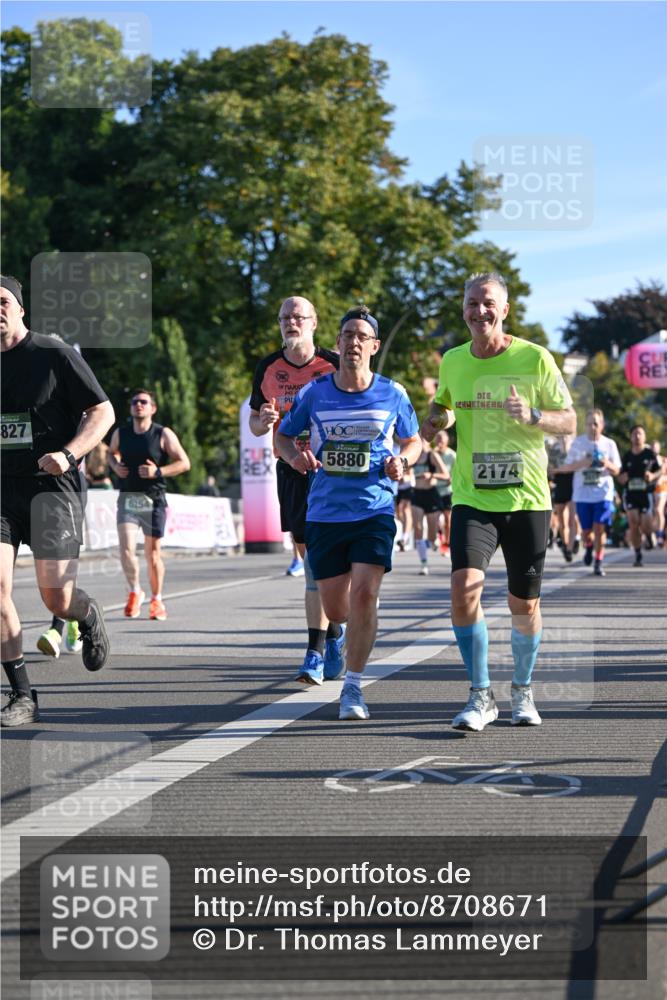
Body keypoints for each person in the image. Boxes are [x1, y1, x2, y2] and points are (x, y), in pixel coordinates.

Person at [421, 272, 576, 732]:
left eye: (488, 303)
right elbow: (446, 405)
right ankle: (480, 694)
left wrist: (532, 415)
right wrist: (435, 420)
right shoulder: (452, 360)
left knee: (522, 604)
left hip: (527, 498)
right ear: (464, 308)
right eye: (472, 303)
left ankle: (523, 690)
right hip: (472, 496)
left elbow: (568, 421)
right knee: (463, 588)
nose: (479, 311)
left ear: (504, 310)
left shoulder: (534, 358)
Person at [276, 306, 421, 719]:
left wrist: (403, 462)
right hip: (324, 511)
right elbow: (284, 437)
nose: (354, 342)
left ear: (374, 346)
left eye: (362, 336)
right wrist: (294, 458)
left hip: (374, 509)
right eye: (347, 335)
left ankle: (354, 688)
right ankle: (336, 633)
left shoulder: (394, 393)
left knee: (364, 596)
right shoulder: (314, 393)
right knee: (337, 608)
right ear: (337, 344)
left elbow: (413, 441)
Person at [1, 275, 114, 726]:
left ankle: (84, 613)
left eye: (2, 301)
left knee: (56, 598)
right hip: (0, 490)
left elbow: (102, 411)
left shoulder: (53, 353)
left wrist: (69, 454)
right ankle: (22, 694)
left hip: (52, 488)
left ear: (20, 309)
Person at [249, 296, 343, 684]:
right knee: (309, 559)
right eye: (285, 316)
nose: (291, 322)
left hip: (332, 472)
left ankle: (315, 651)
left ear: (314, 323)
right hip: (290, 468)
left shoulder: (333, 365)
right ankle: (335, 631)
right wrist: (264, 419)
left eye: (298, 316)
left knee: (322, 563)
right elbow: (256, 425)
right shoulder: (268, 366)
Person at [108, 389, 191, 621]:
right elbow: (110, 453)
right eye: (135, 402)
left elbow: (184, 463)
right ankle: (135, 591)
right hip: (128, 497)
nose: (139, 405)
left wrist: (158, 471)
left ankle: (157, 599)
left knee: (152, 554)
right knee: (125, 548)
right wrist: (115, 466)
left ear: (152, 408)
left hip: (153, 499)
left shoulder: (162, 434)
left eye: (144, 402)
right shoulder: (121, 433)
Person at [558, 409, 621, 577]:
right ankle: (589, 547)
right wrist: (583, 462)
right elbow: (568, 467)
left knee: (600, 528)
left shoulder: (609, 444)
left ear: (602, 425)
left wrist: (606, 463)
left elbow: (617, 470)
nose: (592, 427)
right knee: (586, 531)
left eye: (596, 423)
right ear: (585, 425)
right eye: (589, 423)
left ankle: (598, 562)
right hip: (582, 494)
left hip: (603, 493)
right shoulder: (578, 444)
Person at [618, 425, 662, 566]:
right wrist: (622, 478)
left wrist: (652, 475)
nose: (637, 436)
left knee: (645, 524)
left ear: (644, 437)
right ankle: (637, 554)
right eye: (635, 434)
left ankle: (649, 536)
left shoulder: (650, 454)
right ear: (631, 437)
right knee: (633, 522)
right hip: (631, 493)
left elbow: (661, 470)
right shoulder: (627, 456)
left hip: (646, 494)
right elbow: (620, 475)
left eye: (640, 434)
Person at [411, 437, 449, 575]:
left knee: (431, 536)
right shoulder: (413, 456)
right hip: (417, 494)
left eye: (423, 440)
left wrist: (431, 475)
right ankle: (424, 563)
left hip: (431, 495)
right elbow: (407, 471)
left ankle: (434, 540)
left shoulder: (432, 455)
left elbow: (446, 475)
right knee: (418, 529)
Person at [548, 433, 577, 562]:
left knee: (571, 519)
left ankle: (571, 546)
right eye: (561, 437)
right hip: (560, 488)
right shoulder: (554, 454)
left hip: (573, 488)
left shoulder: (575, 451)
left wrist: (562, 469)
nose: (564, 440)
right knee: (562, 522)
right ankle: (565, 545)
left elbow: (578, 468)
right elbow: (551, 470)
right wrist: (563, 469)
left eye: (566, 437)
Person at [433, 429, 456, 556]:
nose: (439, 442)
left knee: (448, 519)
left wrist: (451, 479)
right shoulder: (433, 454)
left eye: (441, 440)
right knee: (435, 518)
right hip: (435, 489)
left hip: (448, 489)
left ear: (446, 441)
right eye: (437, 439)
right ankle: (438, 538)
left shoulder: (452, 455)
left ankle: (447, 544)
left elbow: (457, 472)